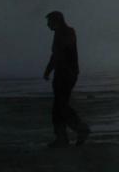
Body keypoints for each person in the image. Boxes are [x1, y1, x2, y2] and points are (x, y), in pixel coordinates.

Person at [44, 11, 90, 147]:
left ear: (56, 21)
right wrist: (49, 70)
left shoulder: (67, 32)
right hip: (64, 73)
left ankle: (79, 130)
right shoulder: (62, 33)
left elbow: (58, 54)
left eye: (49, 22)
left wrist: (48, 70)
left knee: (60, 106)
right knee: (59, 106)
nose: (48, 25)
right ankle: (63, 137)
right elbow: (56, 54)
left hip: (66, 74)